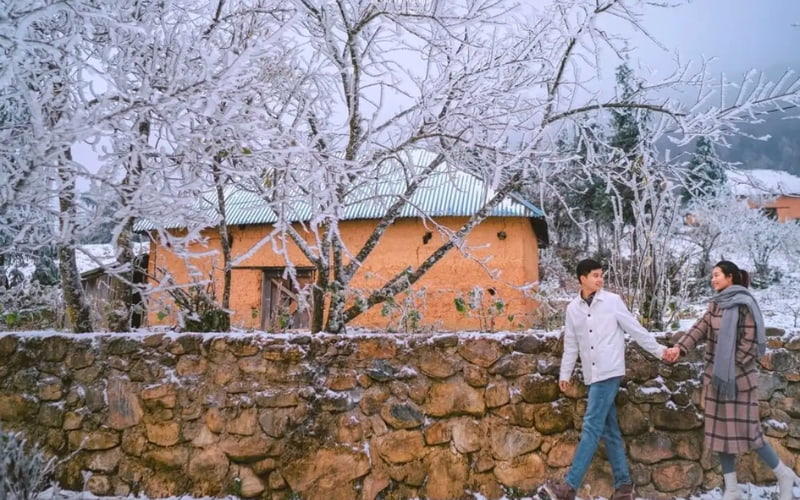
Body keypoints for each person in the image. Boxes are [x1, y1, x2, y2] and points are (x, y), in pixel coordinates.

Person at [663, 261, 798, 500]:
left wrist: (729, 370)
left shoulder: (745, 304)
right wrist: (679, 348)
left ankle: (784, 474)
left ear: (730, 277)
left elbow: (750, 344)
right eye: (712, 275)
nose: (712, 279)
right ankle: (732, 489)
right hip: (718, 380)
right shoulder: (716, 304)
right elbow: (699, 328)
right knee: (720, 434)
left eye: (716, 275)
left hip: (739, 381)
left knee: (751, 433)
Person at [544, 259, 672, 500]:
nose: (600, 279)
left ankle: (569, 487)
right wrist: (565, 373)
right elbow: (571, 344)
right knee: (609, 430)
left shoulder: (612, 302)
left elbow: (635, 329)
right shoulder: (573, 309)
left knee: (591, 427)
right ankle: (624, 487)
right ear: (582, 278)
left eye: (601, 275)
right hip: (593, 375)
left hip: (610, 372)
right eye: (595, 275)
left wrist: (659, 350)